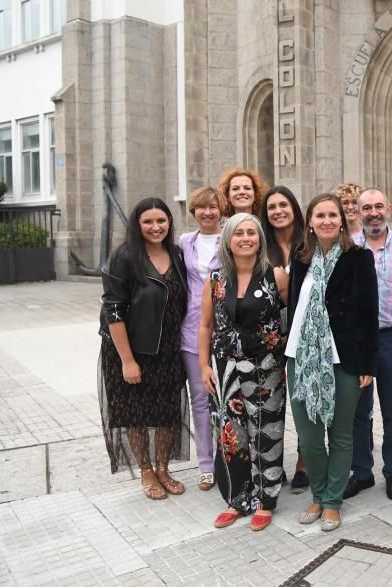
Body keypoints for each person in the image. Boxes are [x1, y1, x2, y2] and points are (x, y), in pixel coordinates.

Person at [287, 194, 378, 532]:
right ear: (310, 222)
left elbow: (370, 314)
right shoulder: (300, 259)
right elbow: (295, 307)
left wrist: (369, 363)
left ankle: (332, 502)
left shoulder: (359, 259)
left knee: (340, 435)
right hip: (302, 357)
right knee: (309, 438)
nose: (326, 220)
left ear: (341, 220)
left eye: (332, 215)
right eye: (319, 215)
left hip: (344, 360)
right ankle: (318, 493)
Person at [199, 213, 288, 531]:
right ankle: (238, 499)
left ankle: (266, 500)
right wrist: (203, 366)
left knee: (267, 431)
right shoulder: (215, 281)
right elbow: (205, 325)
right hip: (225, 370)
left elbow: (288, 320)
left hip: (267, 368)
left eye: (252, 232)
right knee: (231, 436)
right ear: (228, 240)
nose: (246, 238)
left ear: (260, 239)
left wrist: (287, 360)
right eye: (239, 233)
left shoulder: (275, 276)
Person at [99, 197, 189, 500]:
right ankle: (146, 471)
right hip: (132, 350)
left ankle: (163, 467)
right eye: (148, 222)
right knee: (135, 414)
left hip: (169, 350)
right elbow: (113, 309)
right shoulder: (125, 257)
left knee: (167, 412)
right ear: (138, 225)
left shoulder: (177, 254)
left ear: (169, 222)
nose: (155, 227)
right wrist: (127, 360)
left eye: (161, 221)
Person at [345, 188, 392, 501]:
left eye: (378, 206)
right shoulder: (347, 248)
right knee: (359, 410)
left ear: (389, 207)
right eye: (366, 208)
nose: (373, 213)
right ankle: (361, 472)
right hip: (358, 341)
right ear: (358, 213)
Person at [260, 186, 311, 494]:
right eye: (271, 207)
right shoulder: (260, 247)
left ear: (294, 207)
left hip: (305, 332)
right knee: (271, 401)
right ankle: (271, 464)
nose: (278, 211)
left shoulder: (309, 243)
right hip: (268, 336)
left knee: (303, 399)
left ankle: (305, 461)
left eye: (283, 205)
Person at [179, 187, 225, 492]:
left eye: (213, 207)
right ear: (194, 211)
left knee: (227, 398)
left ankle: (231, 457)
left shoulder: (233, 236)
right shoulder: (185, 243)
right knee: (200, 399)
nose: (207, 212)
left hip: (225, 328)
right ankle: (206, 464)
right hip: (191, 329)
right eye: (201, 208)